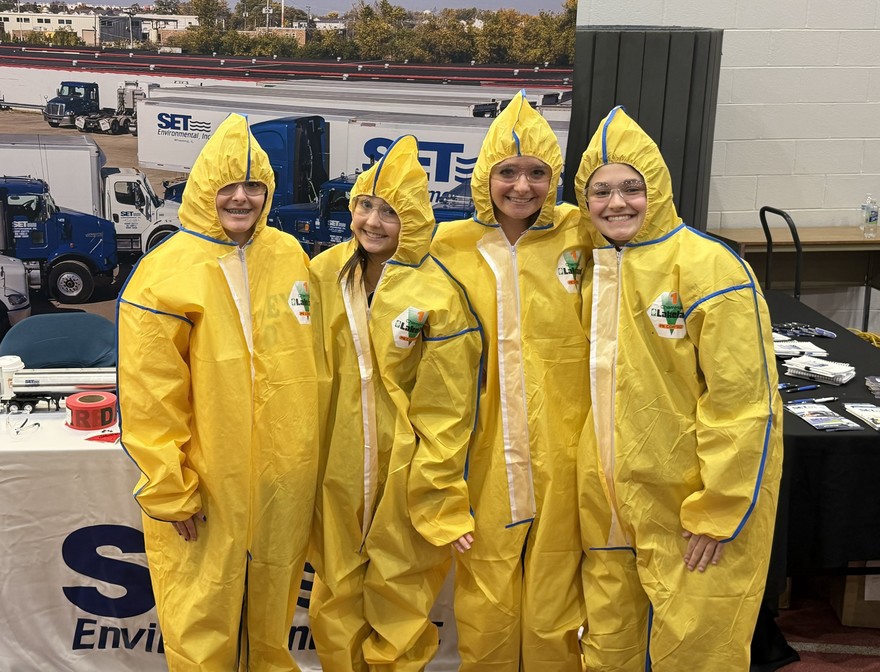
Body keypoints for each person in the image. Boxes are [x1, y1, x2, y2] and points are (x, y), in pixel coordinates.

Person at [573, 105, 782, 671]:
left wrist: (718, 509)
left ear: (657, 189)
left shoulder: (710, 268)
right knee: (610, 638)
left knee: (695, 644)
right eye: (600, 191)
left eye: (632, 188)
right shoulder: (598, 264)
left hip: (688, 504)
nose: (616, 203)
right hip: (611, 501)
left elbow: (745, 404)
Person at [117, 113, 317, 671]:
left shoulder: (289, 255)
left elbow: (314, 363)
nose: (241, 198)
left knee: (273, 618)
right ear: (203, 187)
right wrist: (169, 487)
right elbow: (149, 395)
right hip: (208, 484)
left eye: (254, 185)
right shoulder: (164, 274)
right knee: (202, 618)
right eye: (227, 185)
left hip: (283, 480)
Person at [307, 134, 481, 671]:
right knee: (335, 589)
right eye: (365, 205)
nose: (373, 221)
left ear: (415, 220)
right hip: (335, 463)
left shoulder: (437, 293)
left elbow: (448, 406)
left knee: (401, 590)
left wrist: (437, 488)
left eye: (390, 211)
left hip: (404, 468)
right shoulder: (325, 273)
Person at [430, 91, 589, 670]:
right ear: (486, 176)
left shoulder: (582, 236)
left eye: (537, 173)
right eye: (508, 172)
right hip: (483, 454)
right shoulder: (447, 247)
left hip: (566, 449)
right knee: (486, 600)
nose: (522, 186)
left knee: (560, 597)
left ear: (556, 177)